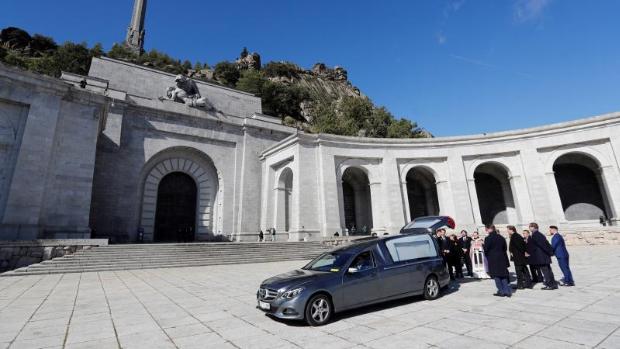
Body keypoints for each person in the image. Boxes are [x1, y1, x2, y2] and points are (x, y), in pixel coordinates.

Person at [483, 224, 512, 297]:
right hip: (501, 257)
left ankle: (501, 291)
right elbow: (505, 248)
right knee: (503, 275)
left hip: (493, 258)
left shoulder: (488, 238)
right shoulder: (501, 237)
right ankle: (507, 291)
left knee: (496, 275)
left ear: (490, 229)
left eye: (486, 229)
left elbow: (486, 249)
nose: (486, 230)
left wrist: (487, 255)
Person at [527, 223, 557, 290]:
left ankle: (549, 285)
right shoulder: (539, 234)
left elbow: (543, 245)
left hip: (541, 256)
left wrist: (550, 252)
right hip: (544, 256)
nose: (529, 228)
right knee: (548, 270)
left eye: (530, 227)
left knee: (546, 271)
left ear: (533, 227)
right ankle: (553, 284)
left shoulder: (536, 235)